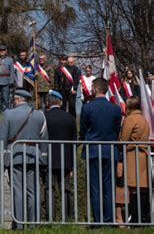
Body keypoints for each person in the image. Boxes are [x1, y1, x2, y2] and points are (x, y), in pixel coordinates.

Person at [0, 89, 48, 229]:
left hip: (14, 155)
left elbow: (2, 137)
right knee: (33, 191)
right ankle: (34, 223)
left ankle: (18, 224)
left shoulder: (7, 114)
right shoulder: (39, 115)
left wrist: (1, 158)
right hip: (33, 155)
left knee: (17, 191)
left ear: (18, 100)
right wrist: (43, 157)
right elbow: (44, 138)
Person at [79, 77, 121, 223]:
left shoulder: (87, 108)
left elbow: (83, 130)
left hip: (93, 150)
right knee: (109, 187)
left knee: (95, 187)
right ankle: (109, 219)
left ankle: (98, 220)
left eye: (92, 87)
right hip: (110, 150)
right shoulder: (115, 109)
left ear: (95, 89)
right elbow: (116, 130)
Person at [42, 90, 77, 221]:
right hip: (66, 159)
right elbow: (74, 142)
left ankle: (50, 218)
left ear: (48, 103)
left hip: (48, 159)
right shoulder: (70, 118)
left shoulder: (44, 117)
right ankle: (68, 218)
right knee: (66, 188)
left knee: (49, 188)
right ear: (61, 102)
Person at [115, 96, 150, 224]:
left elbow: (124, 138)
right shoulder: (144, 120)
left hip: (132, 155)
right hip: (143, 156)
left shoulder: (130, 119)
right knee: (143, 187)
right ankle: (144, 217)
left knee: (134, 188)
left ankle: (136, 218)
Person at [0, 45, 14, 112]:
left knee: (5, 97)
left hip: (6, 81)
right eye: (1, 50)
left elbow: (12, 71)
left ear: (6, 51)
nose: (2, 51)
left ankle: (5, 111)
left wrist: (11, 81)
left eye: (3, 50)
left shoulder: (10, 60)